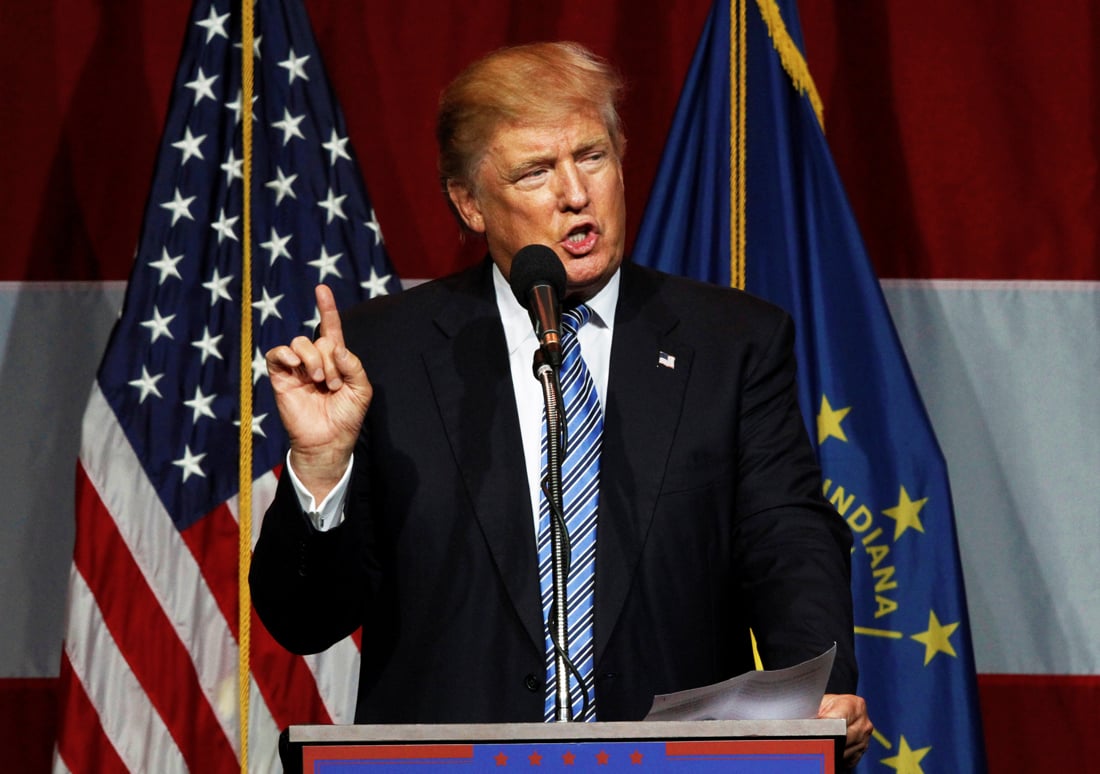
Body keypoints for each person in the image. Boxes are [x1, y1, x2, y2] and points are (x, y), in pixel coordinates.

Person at [250, 41, 872, 767]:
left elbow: (786, 538)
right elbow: (303, 621)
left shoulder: (730, 344)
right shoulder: (383, 356)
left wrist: (817, 692)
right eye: (535, 172)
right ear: (468, 203)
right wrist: (322, 468)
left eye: (593, 156)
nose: (575, 194)